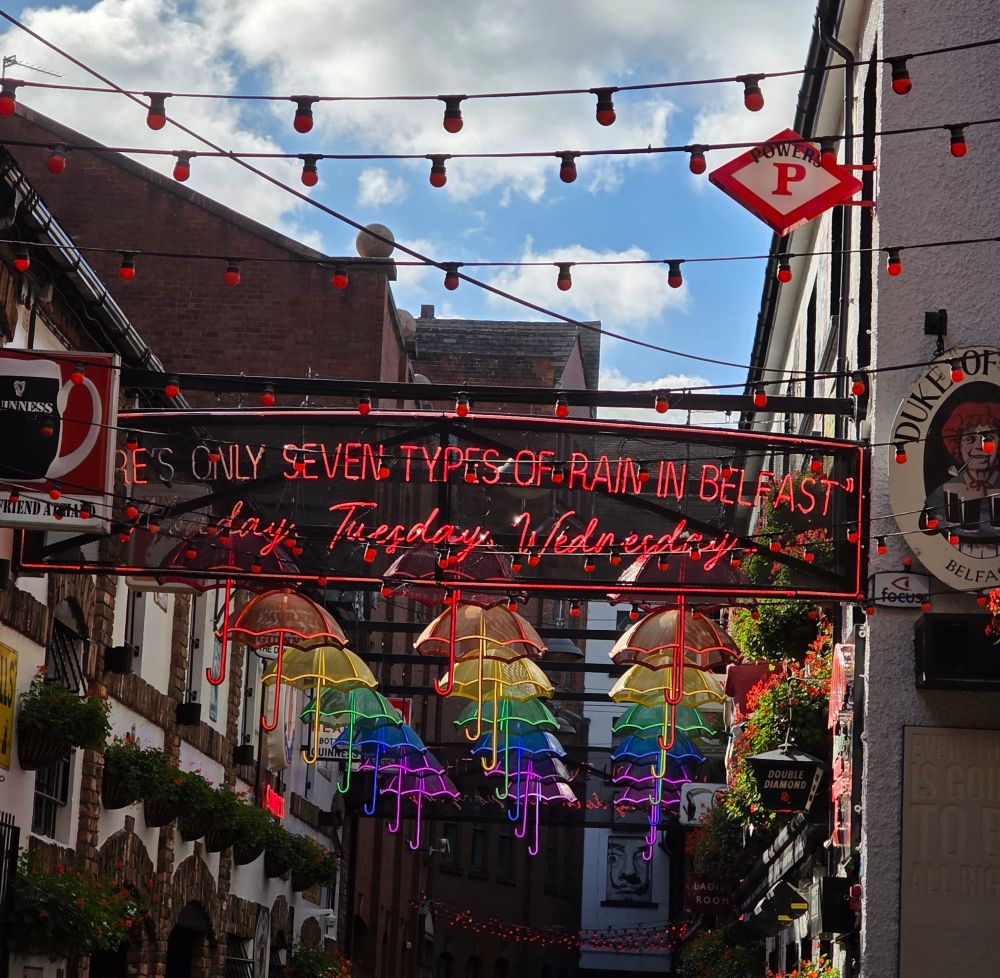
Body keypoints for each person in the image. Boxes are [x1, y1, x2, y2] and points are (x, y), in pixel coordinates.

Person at [923, 400, 1000, 544]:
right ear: (958, 446)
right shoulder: (944, 492)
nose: (979, 447)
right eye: (970, 439)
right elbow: (926, 527)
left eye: (988, 439)